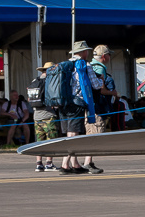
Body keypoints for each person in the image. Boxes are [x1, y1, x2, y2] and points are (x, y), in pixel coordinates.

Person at [58, 41, 100, 174]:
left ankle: (74, 164)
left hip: (63, 103)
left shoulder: (64, 65)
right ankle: (65, 164)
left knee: (69, 134)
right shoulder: (84, 65)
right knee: (73, 134)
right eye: (86, 50)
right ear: (83, 52)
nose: (88, 53)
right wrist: (102, 80)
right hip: (77, 103)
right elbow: (96, 85)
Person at [27, 63, 58, 172]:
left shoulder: (34, 82)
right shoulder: (49, 82)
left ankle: (38, 164)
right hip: (48, 114)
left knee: (39, 140)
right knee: (51, 139)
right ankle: (49, 163)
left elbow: (29, 99)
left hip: (36, 116)